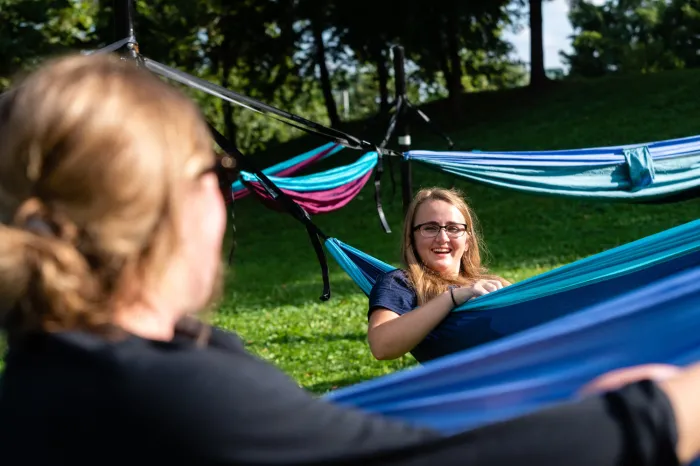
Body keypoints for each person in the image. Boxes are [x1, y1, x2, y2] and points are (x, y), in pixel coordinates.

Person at [1, 53, 700, 466]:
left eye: (453, 227)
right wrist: (661, 409)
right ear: (163, 212)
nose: (444, 238)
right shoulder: (155, 396)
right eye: (215, 177)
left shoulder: (54, 379)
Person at [368, 187, 510, 362]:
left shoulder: (493, 284)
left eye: (453, 228)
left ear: (467, 240)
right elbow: (382, 346)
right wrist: (453, 297)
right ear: (412, 238)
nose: (442, 238)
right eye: (430, 228)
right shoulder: (401, 283)